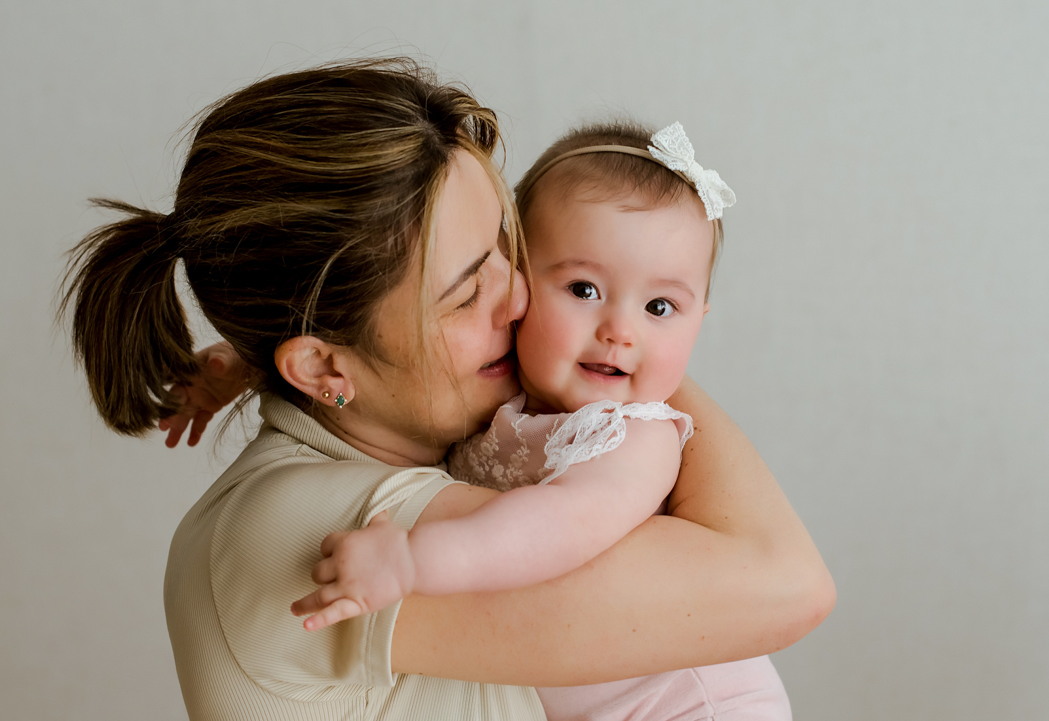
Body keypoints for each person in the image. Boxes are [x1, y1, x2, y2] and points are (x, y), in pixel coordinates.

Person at [61, 58, 834, 721]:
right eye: (468, 293)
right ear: (326, 368)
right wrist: (629, 334)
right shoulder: (309, 532)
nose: (522, 295)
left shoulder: (410, 430)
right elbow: (785, 584)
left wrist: (616, 315)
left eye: (509, 245)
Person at [290, 120, 792, 720]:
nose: (619, 331)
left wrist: (416, 559)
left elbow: (554, 527)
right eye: (583, 289)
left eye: (661, 307)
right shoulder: (506, 393)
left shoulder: (633, 436)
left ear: (699, 318)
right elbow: (375, 350)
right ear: (517, 279)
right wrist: (243, 360)